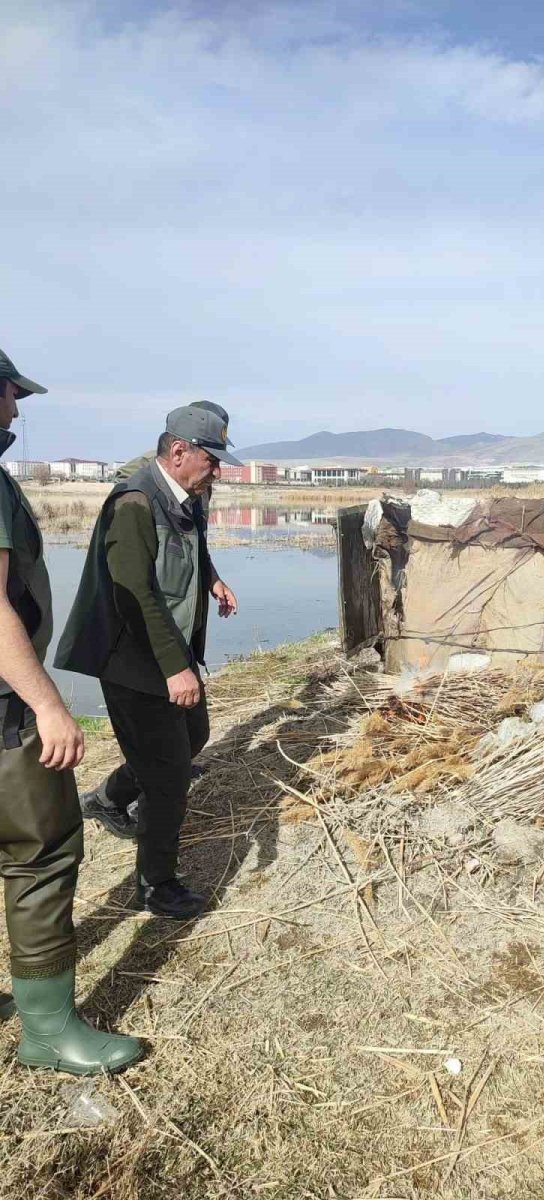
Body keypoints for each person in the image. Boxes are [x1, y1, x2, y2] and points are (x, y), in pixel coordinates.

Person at [0, 346, 141, 1073]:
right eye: (8, 394)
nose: (16, 409)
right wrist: (49, 706)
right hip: (3, 714)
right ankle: (50, 1033)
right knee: (41, 854)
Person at [55, 405, 240, 920]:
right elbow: (133, 590)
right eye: (212, 458)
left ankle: (108, 798)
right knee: (169, 775)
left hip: (167, 651)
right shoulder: (134, 502)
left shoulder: (187, 496)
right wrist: (173, 669)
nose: (217, 470)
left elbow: (192, 547)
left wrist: (212, 580)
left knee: (194, 735)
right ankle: (156, 885)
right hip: (133, 660)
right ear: (178, 451)